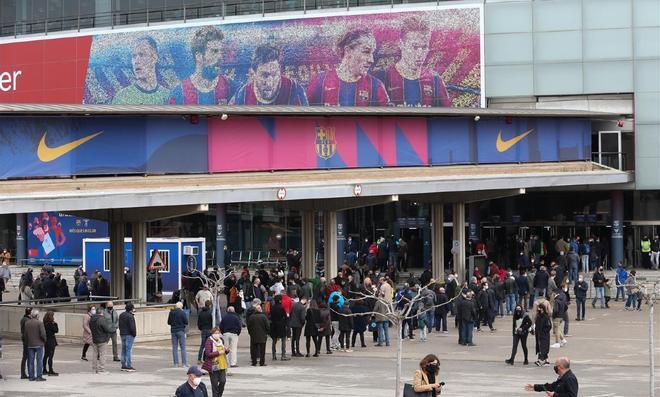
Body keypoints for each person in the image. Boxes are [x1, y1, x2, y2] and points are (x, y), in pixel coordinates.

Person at [307, 28, 390, 107]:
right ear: (348, 51)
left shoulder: (376, 86)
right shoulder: (319, 82)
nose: (371, 60)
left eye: (372, 53)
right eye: (366, 52)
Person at [381, 17, 450, 107]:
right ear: (401, 45)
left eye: (424, 47)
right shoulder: (384, 77)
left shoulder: (435, 80)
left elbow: (446, 115)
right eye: (415, 47)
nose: (420, 53)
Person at [169, 26, 232, 105]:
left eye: (220, 51)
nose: (220, 56)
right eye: (214, 51)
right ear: (199, 56)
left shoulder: (229, 86)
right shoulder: (179, 93)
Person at [230, 45, 308, 105]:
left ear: (279, 70)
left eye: (274, 74)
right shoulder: (242, 93)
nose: (269, 83)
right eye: (264, 75)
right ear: (254, 73)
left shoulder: (295, 89)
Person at [112, 36, 170, 104]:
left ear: (154, 58)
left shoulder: (168, 96)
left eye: (142, 55)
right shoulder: (122, 97)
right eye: (134, 56)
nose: (136, 61)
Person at [202, 327, 227, 397]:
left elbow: (223, 350)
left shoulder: (221, 340)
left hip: (222, 364)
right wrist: (218, 352)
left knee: (223, 381)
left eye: (218, 333)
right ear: (212, 334)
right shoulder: (209, 341)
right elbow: (208, 354)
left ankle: (219, 395)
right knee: (215, 384)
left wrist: (226, 350)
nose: (217, 335)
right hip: (213, 365)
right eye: (215, 333)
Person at [24, 309, 47, 381]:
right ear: (37, 315)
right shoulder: (40, 323)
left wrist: (27, 342)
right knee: (39, 361)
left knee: (30, 361)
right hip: (39, 344)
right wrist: (44, 340)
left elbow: (25, 335)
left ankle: (31, 376)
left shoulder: (27, 323)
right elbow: (43, 334)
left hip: (30, 344)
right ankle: (39, 376)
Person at [89, 306, 112, 374]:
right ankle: (101, 369)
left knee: (95, 354)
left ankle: (94, 368)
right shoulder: (102, 319)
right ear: (102, 312)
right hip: (102, 339)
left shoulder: (92, 319)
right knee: (102, 355)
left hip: (94, 338)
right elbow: (107, 329)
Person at [246, 302, 269, 367]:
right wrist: (266, 332)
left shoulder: (251, 317)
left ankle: (254, 362)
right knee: (262, 350)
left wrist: (250, 333)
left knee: (254, 350)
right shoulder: (263, 317)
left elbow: (249, 326)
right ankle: (262, 362)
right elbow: (267, 326)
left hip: (253, 335)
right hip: (262, 335)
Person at [168, 301, 189, 367]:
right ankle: (184, 364)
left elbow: (169, 322)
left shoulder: (171, 312)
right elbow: (186, 322)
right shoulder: (182, 312)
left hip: (173, 331)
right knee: (183, 347)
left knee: (174, 347)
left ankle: (176, 364)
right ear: (181, 307)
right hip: (180, 331)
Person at [269, 294, 289, 361]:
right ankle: (283, 355)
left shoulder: (272, 307)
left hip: (274, 325)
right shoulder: (282, 307)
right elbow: (285, 317)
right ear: (280, 300)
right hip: (281, 325)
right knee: (283, 341)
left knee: (274, 341)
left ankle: (274, 355)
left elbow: (270, 317)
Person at [119, 302, 137, 372]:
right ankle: (129, 366)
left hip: (122, 334)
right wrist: (134, 334)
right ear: (132, 309)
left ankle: (123, 365)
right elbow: (132, 327)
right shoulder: (130, 316)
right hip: (129, 335)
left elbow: (120, 325)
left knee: (123, 350)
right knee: (128, 350)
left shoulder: (121, 315)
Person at [42, 310, 59, 376]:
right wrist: (55, 324)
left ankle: (44, 369)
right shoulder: (51, 324)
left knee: (46, 355)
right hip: (51, 341)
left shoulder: (44, 323)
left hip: (46, 341)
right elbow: (56, 330)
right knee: (51, 356)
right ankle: (50, 370)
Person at [197, 300, 213, 364]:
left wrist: (201, 328)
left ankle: (199, 359)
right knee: (208, 345)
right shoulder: (210, 313)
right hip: (208, 329)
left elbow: (199, 322)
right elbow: (211, 321)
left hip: (203, 330)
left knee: (202, 345)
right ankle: (206, 358)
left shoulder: (201, 312)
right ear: (209, 305)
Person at [20, 307, 32, 379]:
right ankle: (24, 373)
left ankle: (23, 373)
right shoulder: (27, 320)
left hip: (25, 339)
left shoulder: (23, 319)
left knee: (25, 357)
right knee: (26, 357)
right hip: (27, 340)